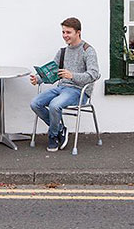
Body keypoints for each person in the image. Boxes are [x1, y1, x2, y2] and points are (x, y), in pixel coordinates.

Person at [30, 17, 100, 152]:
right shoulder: (62, 51)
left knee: (55, 105)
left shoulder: (88, 50)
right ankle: (60, 129)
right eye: (63, 32)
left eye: (68, 32)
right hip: (61, 88)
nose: (65, 36)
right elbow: (52, 71)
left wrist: (72, 75)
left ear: (78, 32)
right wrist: (37, 79)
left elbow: (94, 74)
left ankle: (53, 136)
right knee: (35, 103)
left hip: (79, 91)